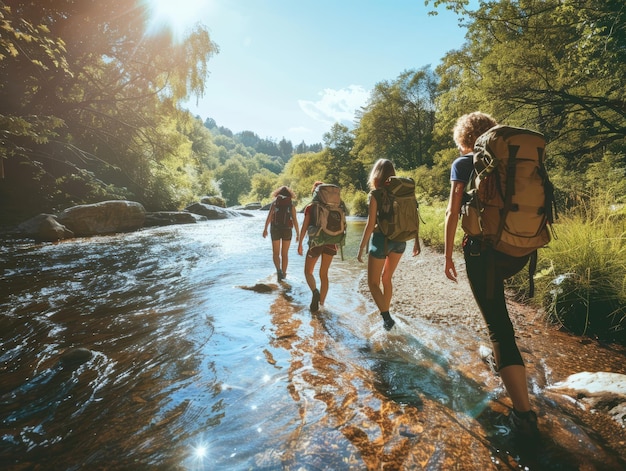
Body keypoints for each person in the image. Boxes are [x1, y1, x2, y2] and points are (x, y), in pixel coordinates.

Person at [443, 111, 539, 439]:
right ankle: (501, 358)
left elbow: (453, 212)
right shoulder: (513, 160)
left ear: (464, 139)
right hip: (521, 249)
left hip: (484, 251)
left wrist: (446, 255)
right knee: (496, 315)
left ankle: (524, 416)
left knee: (499, 326)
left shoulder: (465, 163)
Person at [357, 159, 421, 331]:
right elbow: (413, 217)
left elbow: (370, 224)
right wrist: (416, 242)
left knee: (372, 283)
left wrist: (361, 247)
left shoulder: (376, 194)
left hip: (381, 241)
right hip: (400, 241)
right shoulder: (404, 192)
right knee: (386, 278)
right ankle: (387, 315)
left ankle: (386, 318)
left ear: (375, 174)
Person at [298, 181, 338, 312]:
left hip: (316, 243)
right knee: (324, 274)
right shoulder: (335, 207)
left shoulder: (311, 207)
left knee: (308, 272)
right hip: (331, 243)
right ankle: (322, 304)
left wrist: (299, 243)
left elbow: (304, 227)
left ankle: (315, 292)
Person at [263, 186, 299, 282]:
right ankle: (284, 274)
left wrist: (265, 229)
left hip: (275, 228)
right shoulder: (291, 204)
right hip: (287, 229)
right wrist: (298, 234)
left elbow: (269, 216)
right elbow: (295, 220)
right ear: (289, 194)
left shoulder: (275, 203)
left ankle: (278, 271)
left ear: (278, 193)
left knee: (275, 253)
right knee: (285, 254)